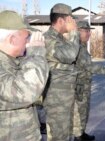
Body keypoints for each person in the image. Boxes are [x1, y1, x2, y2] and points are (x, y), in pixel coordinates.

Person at [0, 10, 49, 140]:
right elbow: (27, 92)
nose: (28, 42)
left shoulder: (13, 59)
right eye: (26, 37)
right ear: (12, 39)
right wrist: (36, 54)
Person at [43, 3, 80, 140]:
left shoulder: (60, 39)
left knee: (66, 134)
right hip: (56, 100)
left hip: (64, 98)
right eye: (71, 20)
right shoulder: (48, 39)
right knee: (59, 136)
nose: (73, 24)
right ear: (60, 20)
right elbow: (70, 55)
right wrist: (74, 33)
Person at [73, 21, 105, 141]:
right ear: (78, 31)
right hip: (78, 87)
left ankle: (81, 133)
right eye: (86, 31)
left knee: (84, 111)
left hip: (84, 86)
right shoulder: (76, 47)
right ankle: (77, 136)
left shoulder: (83, 46)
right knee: (78, 113)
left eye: (89, 31)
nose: (89, 33)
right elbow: (90, 66)